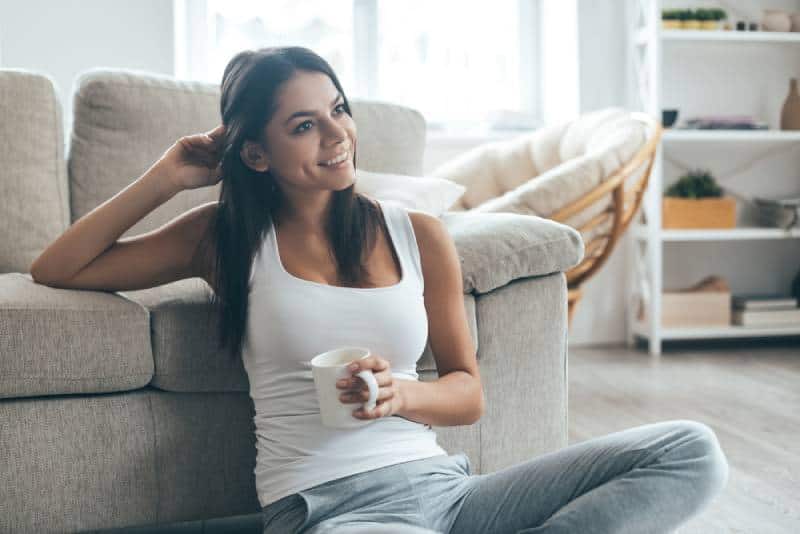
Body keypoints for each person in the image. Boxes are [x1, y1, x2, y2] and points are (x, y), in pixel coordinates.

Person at [29, 46, 730, 534]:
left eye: (338, 110)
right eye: (304, 125)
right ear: (255, 154)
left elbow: (467, 389)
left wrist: (404, 395)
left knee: (692, 451)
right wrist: (166, 175)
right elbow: (59, 268)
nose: (337, 135)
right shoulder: (225, 237)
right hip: (332, 512)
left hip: (449, 495)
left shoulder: (418, 235)